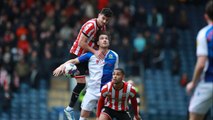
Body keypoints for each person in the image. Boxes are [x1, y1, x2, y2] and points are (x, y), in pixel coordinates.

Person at [61, 8, 112, 120]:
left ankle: (91, 106)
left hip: (87, 56)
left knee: (94, 80)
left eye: (106, 20)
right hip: (77, 54)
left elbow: (98, 42)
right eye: (103, 18)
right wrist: (95, 52)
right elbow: (81, 43)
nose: (104, 21)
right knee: (81, 83)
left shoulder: (103, 27)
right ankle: (69, 109)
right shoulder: (90, 26)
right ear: (99, 15)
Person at [53, 31, 119, 120]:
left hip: (107, 92)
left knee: (104, 117)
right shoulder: (90, 55)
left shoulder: (114, 55)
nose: (104, 40)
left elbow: (116, 73)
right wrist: (61, 66)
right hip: (91, 91)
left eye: (106, 38)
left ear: (109, 42)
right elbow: (73, 61)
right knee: (83, 116)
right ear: (98, 42)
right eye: (102, 38)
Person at [186, 1, 213, 120]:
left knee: (195, 115)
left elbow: (201, 63)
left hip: (209, 82)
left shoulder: (204, 34)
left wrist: (193, 83)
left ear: (206, 16)